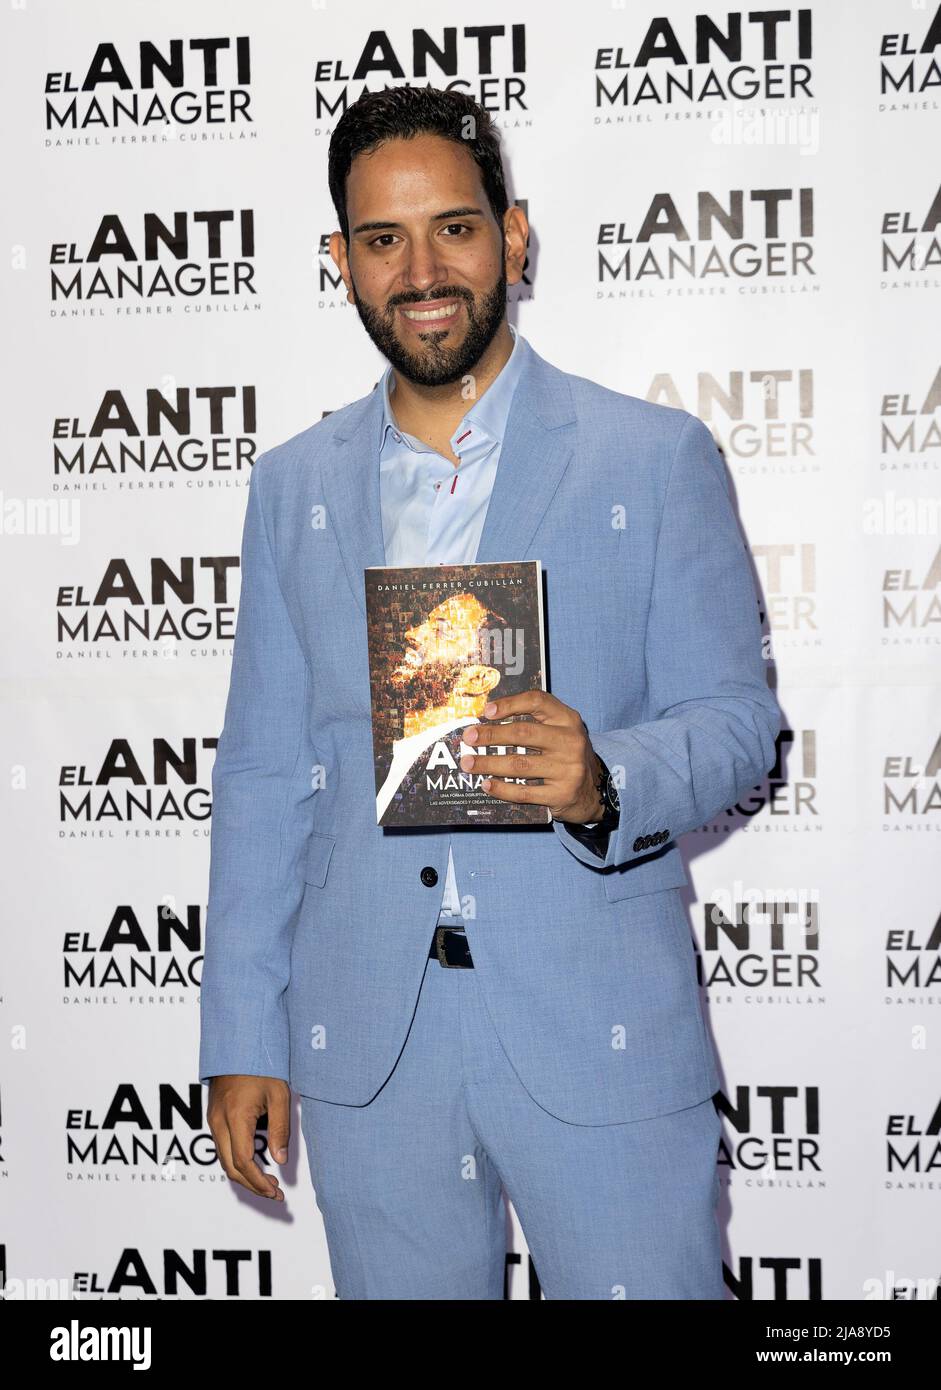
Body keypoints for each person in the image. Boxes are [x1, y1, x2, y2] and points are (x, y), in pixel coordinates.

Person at [199, 85, 781, 1300]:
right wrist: (243, 1035)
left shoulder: (651, 458)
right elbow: (261, 774)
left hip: (594, 1027)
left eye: (453, 229)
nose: (421, 270)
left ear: (513, 237)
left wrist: (604, 776)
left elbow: (735, 723)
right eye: (380, 239)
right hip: (370, 1047)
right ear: (339, 263)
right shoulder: (292, 486)